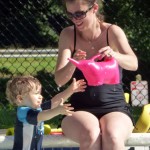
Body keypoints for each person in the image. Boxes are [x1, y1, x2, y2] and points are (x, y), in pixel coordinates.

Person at [54, 0, 138, 150]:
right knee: (90, 134)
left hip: (115, 106)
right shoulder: (68, 35)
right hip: (79, 109)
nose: (75, 19)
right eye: (70, 14)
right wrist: (73, 62)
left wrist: (115, 55)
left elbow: (133, 63)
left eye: (79, 14)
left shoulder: (112, 31)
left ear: (94, 8)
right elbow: (59, 79)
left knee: (112, 136)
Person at [6, 75, 86, 150]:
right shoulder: (23, 112)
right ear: (20, 99)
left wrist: (70, 90)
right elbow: (42, 116)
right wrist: (57, 111)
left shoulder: (37, 108)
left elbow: (54, 102)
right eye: (36, 93)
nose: (41, 96)